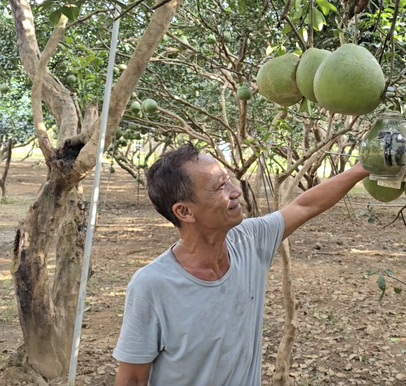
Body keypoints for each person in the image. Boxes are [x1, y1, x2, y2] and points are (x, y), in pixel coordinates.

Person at [113, 143, 369, 386]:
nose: (235, 191)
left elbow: (305, 205)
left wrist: (363, 168)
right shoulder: (152, 286)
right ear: (185, 212)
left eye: (229, 180)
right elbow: (132, 378)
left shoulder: (249, 240)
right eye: (220, 187)